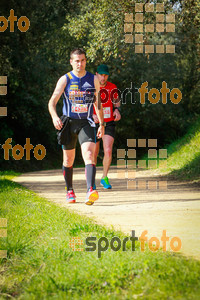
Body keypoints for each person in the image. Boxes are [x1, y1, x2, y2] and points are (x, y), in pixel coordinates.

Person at [48, 48, 105, 205]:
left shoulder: (93, 79)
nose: (80, 63)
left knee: (88, 153)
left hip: (86, 122)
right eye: (77, 60)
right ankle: (69, 191)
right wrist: (54, 117)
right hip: (68, 123)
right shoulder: (65, 79)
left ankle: (90, 190)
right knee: (68, 160)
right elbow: (52, 102)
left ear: (86, 61)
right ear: (71, 62)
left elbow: (97, 103)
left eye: (83, 60)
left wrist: (102, 123)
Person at [93, 64, 121, 189]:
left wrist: (117, 110)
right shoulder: (90, 86)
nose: (103, 78)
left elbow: (117, 101)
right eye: (101, 75)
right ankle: (91, 178)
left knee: (108, 150)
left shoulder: (112, 87)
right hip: (93, 123)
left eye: (105, 75)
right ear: (96, 74)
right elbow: (84, 104)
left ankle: (104, 177)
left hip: (108, 122)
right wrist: (90, 115)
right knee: (94, 152)